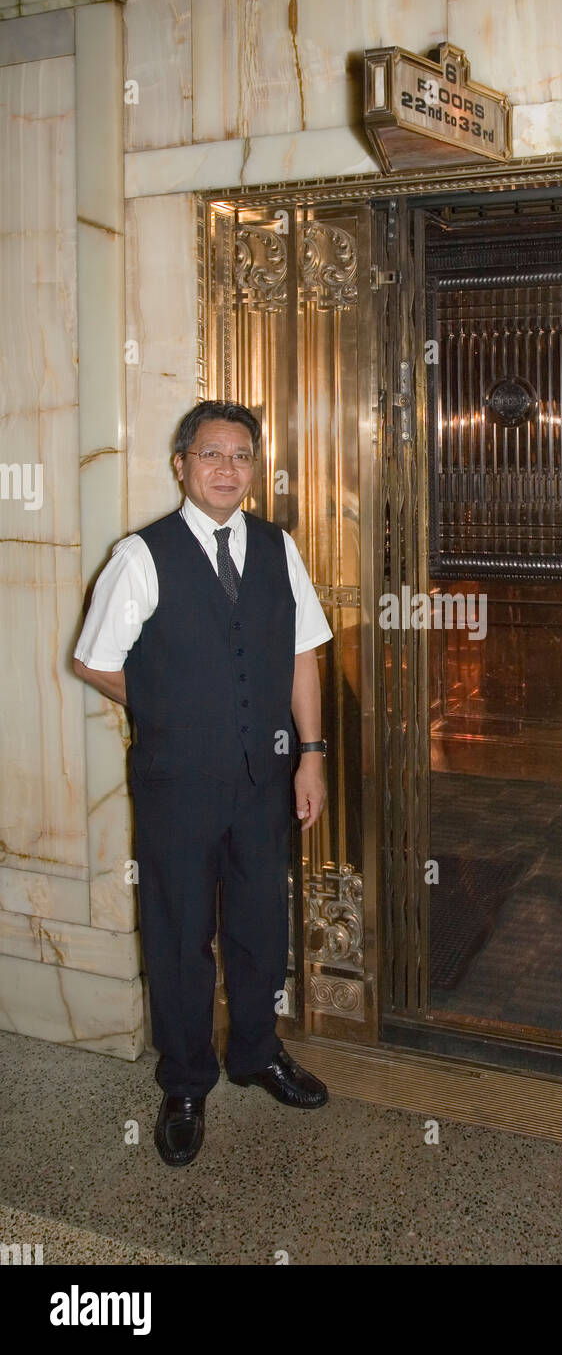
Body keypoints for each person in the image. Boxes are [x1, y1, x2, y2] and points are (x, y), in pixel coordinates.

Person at [73, 400, 332, 1167]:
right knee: (182, 934)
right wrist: (169, 707)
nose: (228, 469)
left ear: (255, 468)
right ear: (182, 463)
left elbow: (303, 655)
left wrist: (311, 754)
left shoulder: (279, 548)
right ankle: (185, 1080)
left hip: (265, 777)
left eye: (242, 456)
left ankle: (255, 1052)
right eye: (212, 454)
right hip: (177, 783)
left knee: (260, 924)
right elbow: (92, 657)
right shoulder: (140, 555)